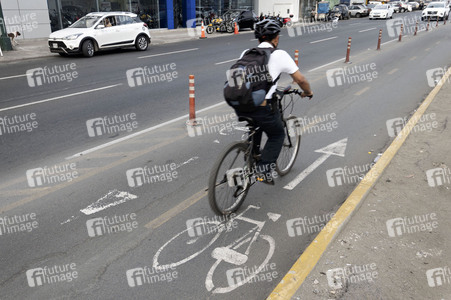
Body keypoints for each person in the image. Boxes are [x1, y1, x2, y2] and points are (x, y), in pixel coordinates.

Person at [235, 19, 313, 185]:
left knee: (256, 126)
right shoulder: (280, 54)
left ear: (258, 39)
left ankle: (251, 153)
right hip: (263, 107)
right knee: (277, 134)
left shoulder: (246, 53)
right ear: (276, 38)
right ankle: (263, 169)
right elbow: (300, 79)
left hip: (240, 104)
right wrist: (308, 92)